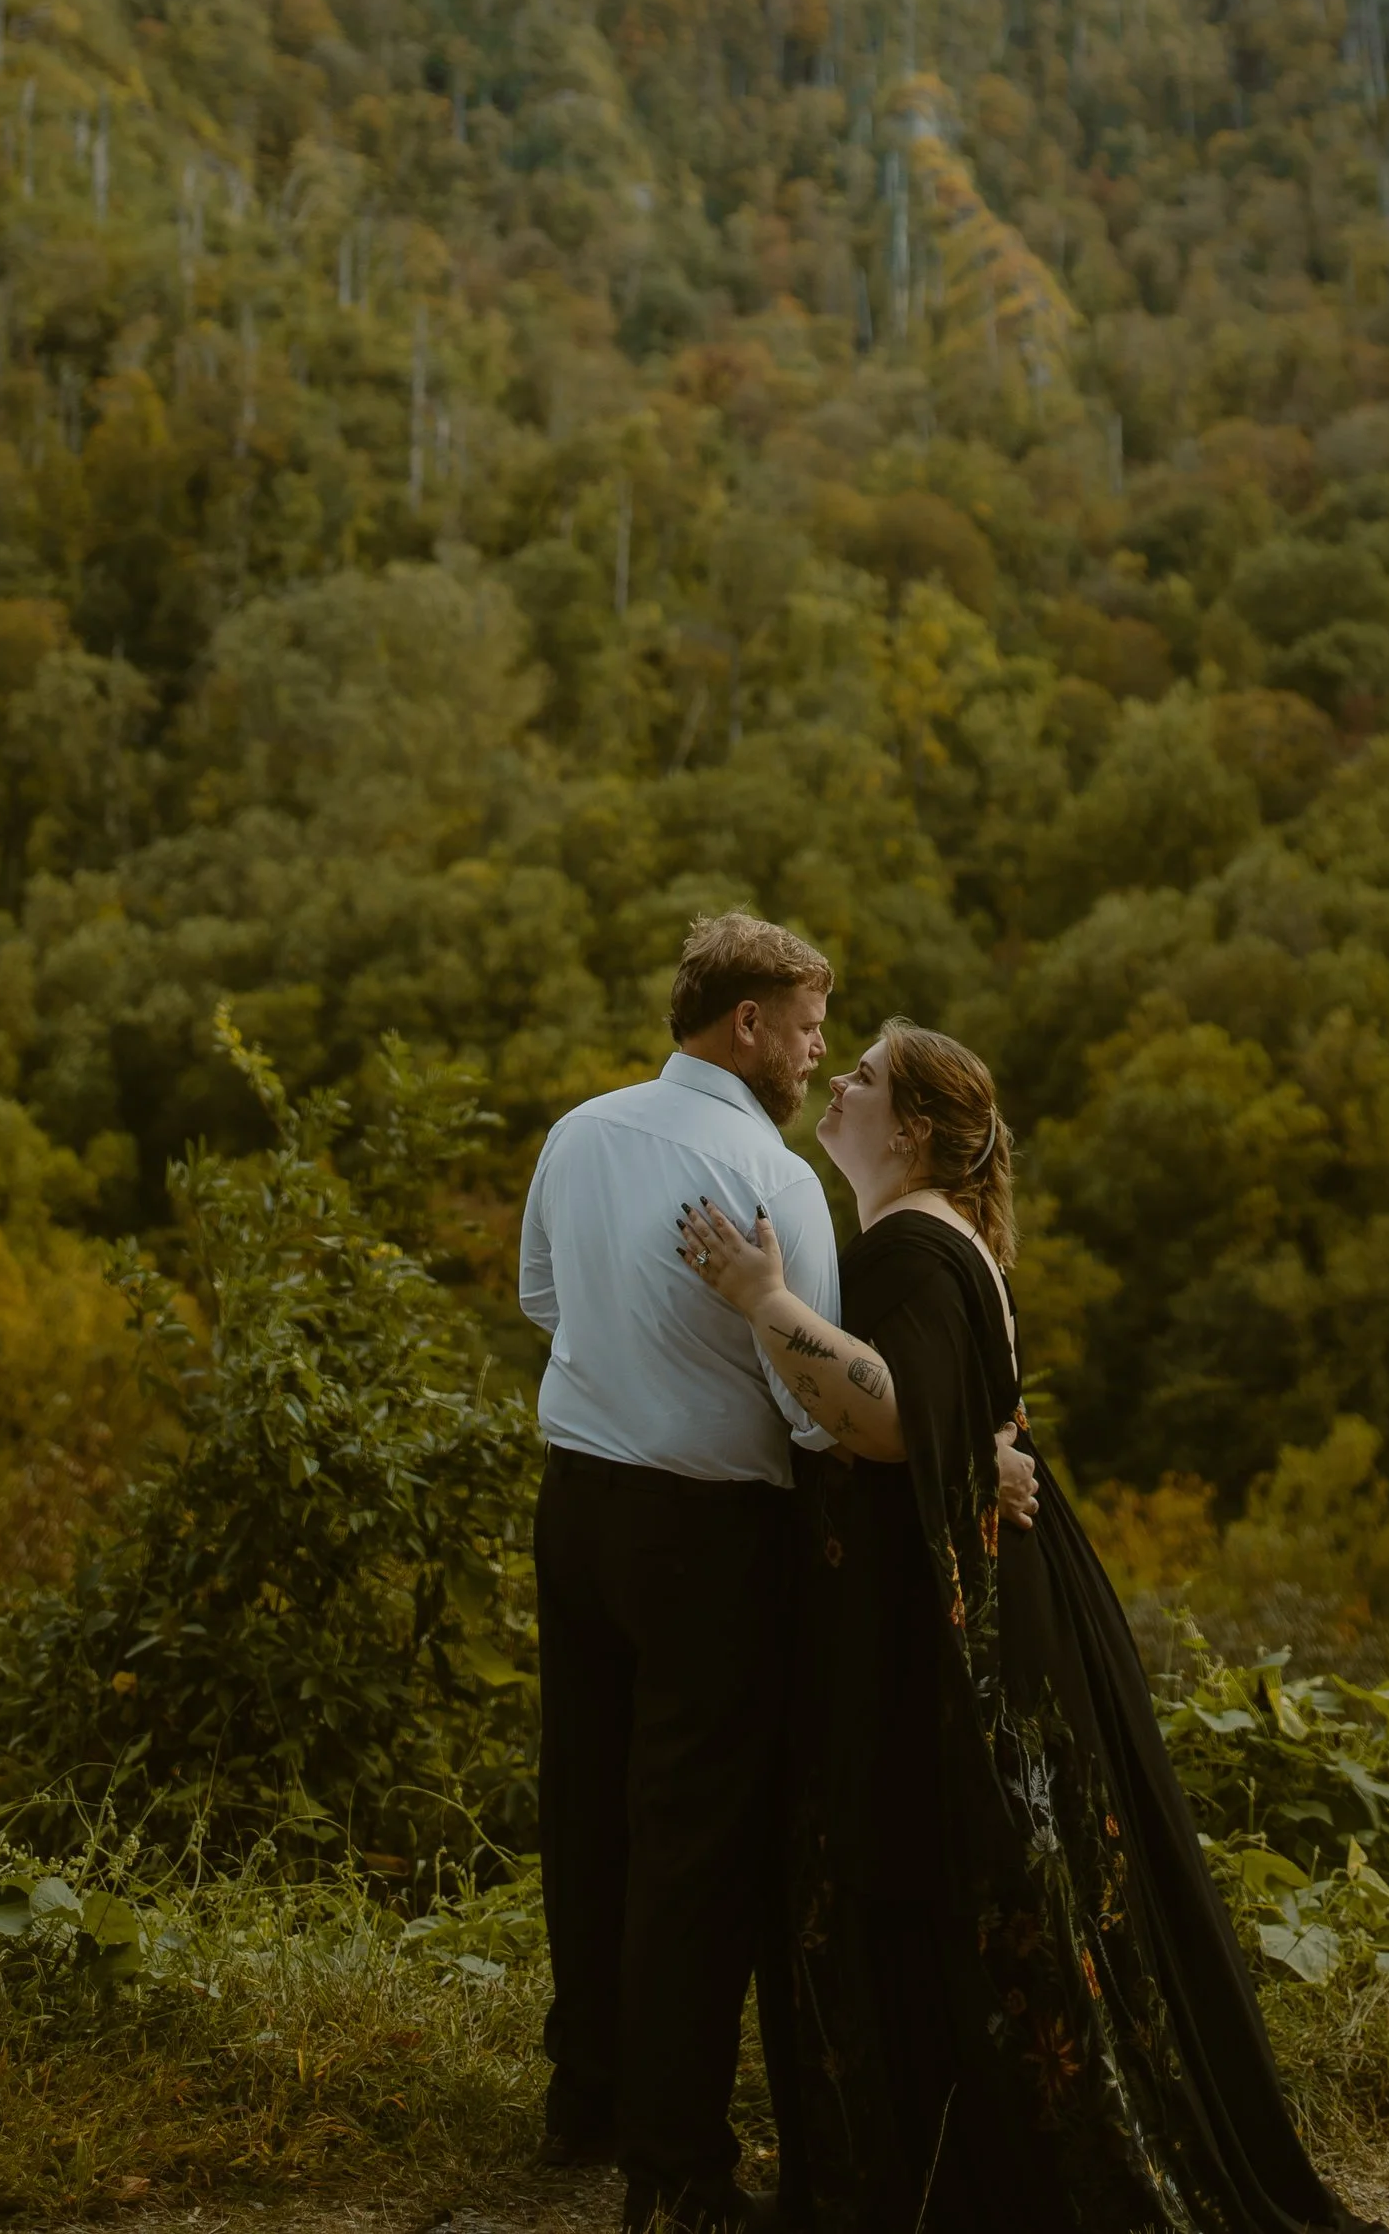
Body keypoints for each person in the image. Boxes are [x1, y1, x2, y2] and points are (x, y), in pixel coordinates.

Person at [679, 1018, 1388, 2234]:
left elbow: (895, 1419)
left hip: (953, 1631)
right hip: (984, 1595)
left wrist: (761, 1298)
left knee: (955, 1877)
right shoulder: (924, 1234)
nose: (837, 1079)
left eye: (863, 1077)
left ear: (907, 1130)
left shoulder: (908, 1244)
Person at [517, 909, 840, 2234]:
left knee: (586, 1807)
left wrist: (629, 1360)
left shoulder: (580, 1130)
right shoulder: (775, 1175)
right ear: (746, 1023)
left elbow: (542, 1298)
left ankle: (584, 2095)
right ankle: (677, 2160)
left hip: (577, 1506)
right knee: (695, 1842)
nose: (821, 1051)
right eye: (811, 1025)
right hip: (710, 1529)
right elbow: (819, 1403)